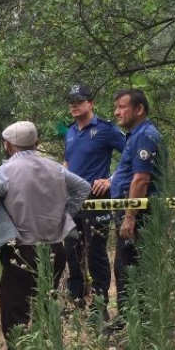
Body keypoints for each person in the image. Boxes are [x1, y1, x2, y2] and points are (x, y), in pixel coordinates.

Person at [0, 121, 90, 350]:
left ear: (8, 145)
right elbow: (83, 187)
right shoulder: (55, 168)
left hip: (21, 250)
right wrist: (65, 214)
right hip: (56, 249)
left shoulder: (6, 171)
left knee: (16, 310)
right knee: (45, 304)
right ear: (36, 144)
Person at [93, 88, 163, 328]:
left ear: (139, 109)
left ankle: (135, 322)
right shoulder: (135, 135)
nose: (116, 112)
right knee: (124, 263)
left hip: (138, 212)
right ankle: (128, 318)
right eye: (116, 107)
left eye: (122, 106)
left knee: (131, 266)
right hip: (129, 208)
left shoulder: (145, 135)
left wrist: (130, 216)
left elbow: (141, 179)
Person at [62, 84, 126, 318]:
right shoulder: (69, 131)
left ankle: (100, 307)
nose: (74, 105)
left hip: (96, 199)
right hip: (73, 202)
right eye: (71, 101)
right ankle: (76, 302)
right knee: (72, 251)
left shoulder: (105, 130)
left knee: (96, 252)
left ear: (91, 103)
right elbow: (67, 165)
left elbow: (130, 155)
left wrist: (111, 179)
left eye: (79, 100)